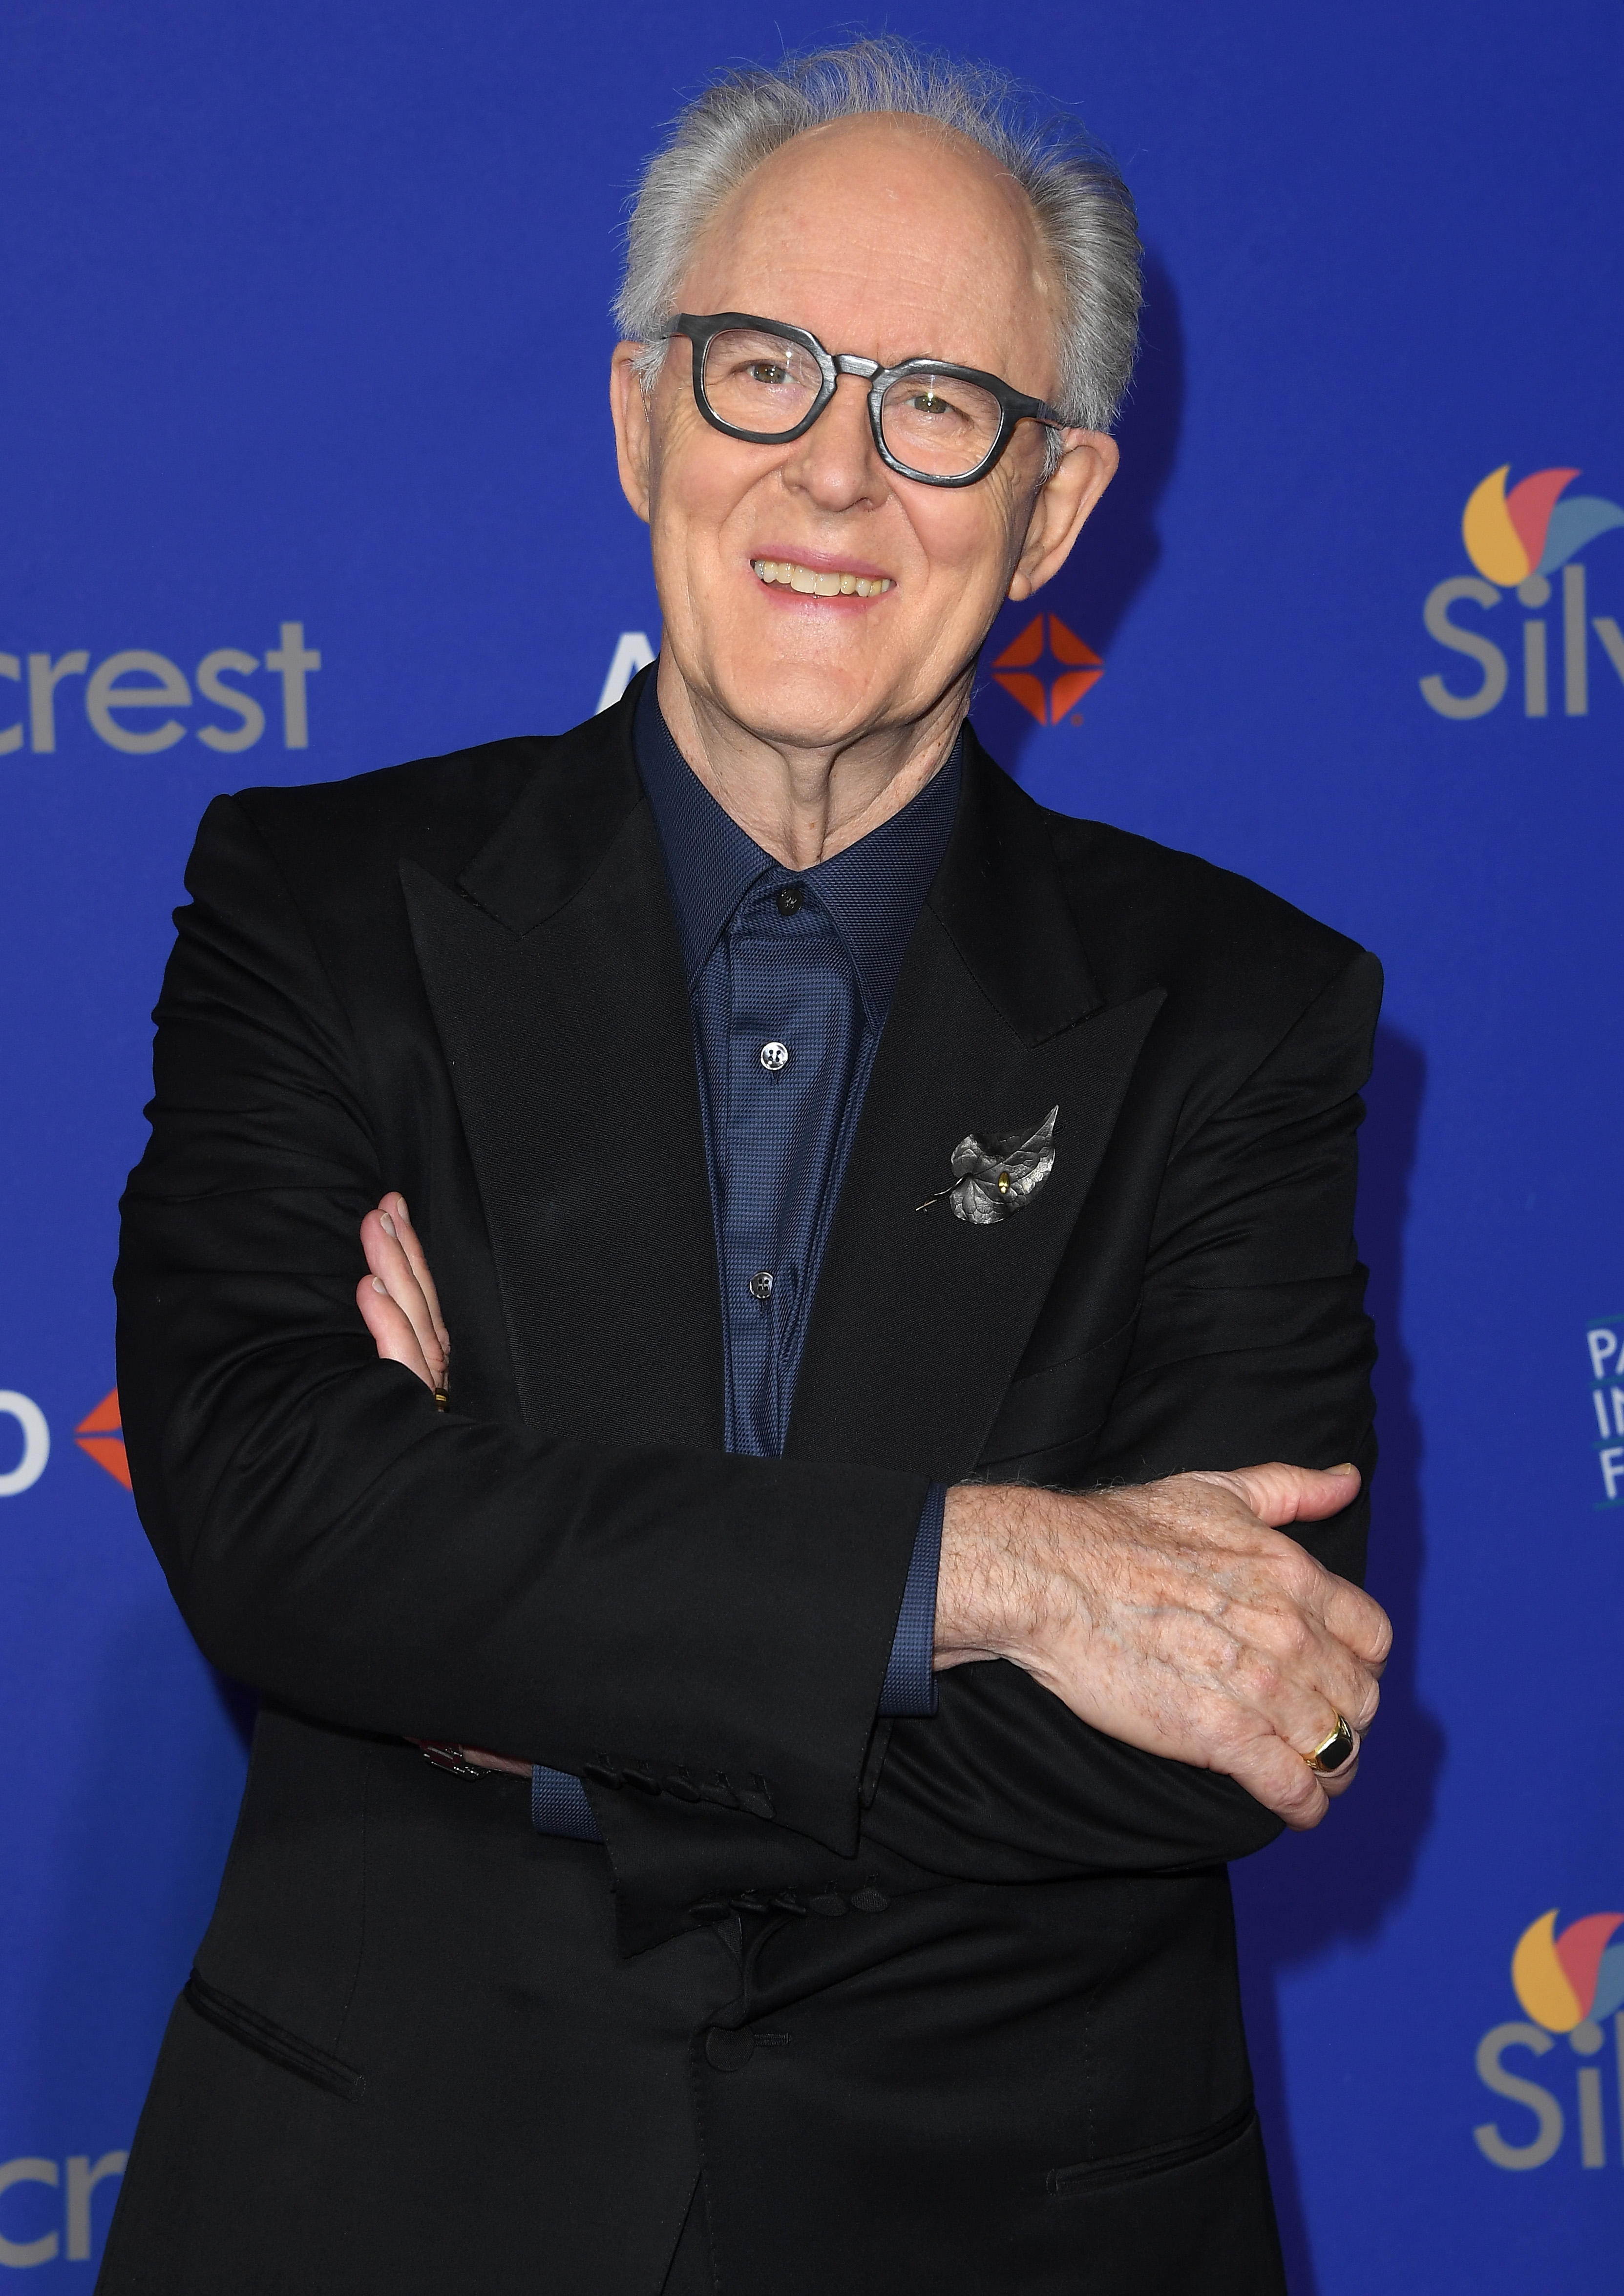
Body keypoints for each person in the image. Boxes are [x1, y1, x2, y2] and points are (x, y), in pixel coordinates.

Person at [101, 37, 1390, 2296]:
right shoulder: (314, 903)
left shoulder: (1245, 1009)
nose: (836, 480)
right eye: (762, 371)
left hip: (1014, 2229)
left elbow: (1218, 1729)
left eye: (938, 407)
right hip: (386, 2207)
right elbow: (286, 1531)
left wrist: (507, 1639)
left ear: (1056, 506)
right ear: (637, 417)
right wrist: (993, 1578)